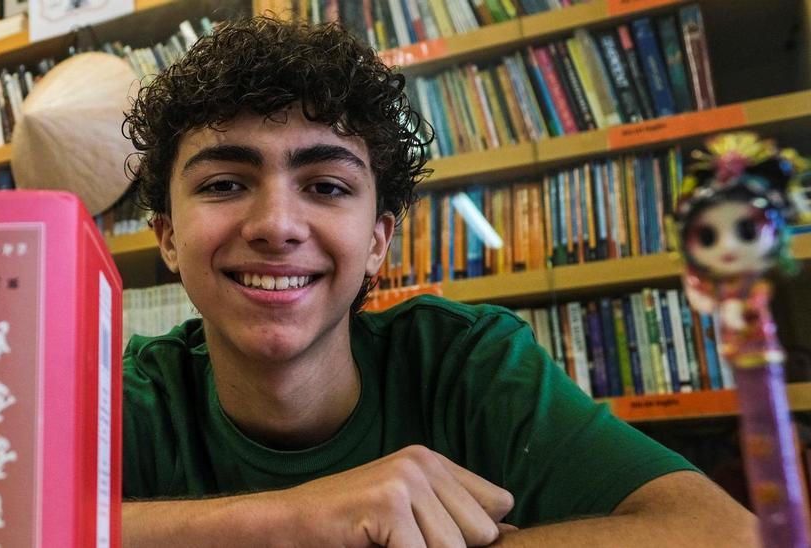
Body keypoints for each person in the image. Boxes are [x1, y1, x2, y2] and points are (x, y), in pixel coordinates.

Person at [119, 16, 756, 547]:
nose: (277, 226)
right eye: (224, 184)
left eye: (327, 187)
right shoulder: (128, 396)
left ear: (376, 242)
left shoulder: (470, 364)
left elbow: (729, 533)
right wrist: (299, 517)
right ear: (169, 237)